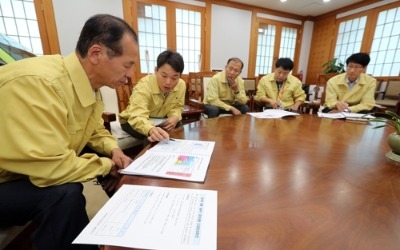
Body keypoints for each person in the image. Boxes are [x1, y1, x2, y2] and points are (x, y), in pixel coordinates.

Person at [0, 14, 138, 250]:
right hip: (9, 178)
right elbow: (51, 167)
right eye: (127, 65)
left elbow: (93, 129)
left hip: (23, 172)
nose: (130, 76)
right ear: (96, 54)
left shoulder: (89, 87)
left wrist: (113, 150)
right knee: (64, 194)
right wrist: (106, 166)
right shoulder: (40, 83)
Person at [119, 50, 185, 142]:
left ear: (179, 76)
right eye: (164, 75)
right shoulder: (144, 85)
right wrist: (150, 129)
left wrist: (174, 117)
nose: (168, 82)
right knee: (152, 136)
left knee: (178, 125)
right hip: (132, 120)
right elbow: (137, 115)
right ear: (156, 70)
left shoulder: (181, 85)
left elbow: (178, 106)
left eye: (174, 78)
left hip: (159, 120)